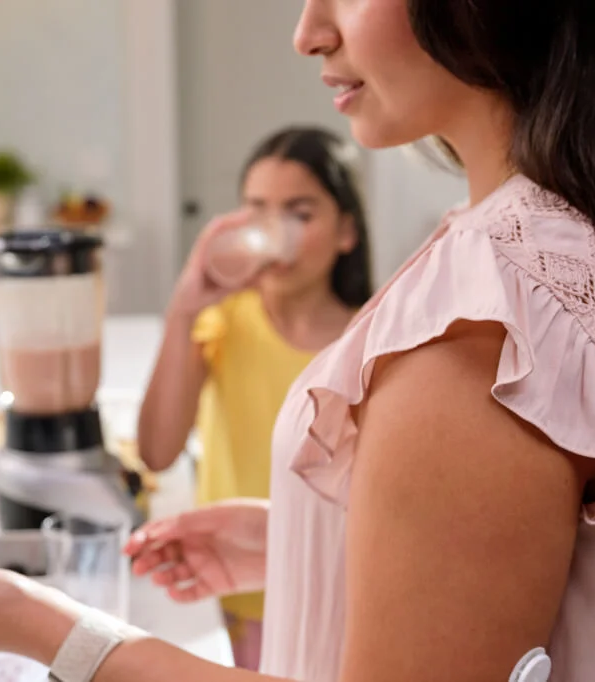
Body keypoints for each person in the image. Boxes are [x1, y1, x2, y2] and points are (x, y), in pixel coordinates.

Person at [0, 0, 595, 680]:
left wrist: (34, 624)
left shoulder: (487, 322)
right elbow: (551, 569)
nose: (308, 30)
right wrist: (317, 538)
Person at [136, 125, 372, 670]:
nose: (276, 232)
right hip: (232, 600)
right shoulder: (219, 323)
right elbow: (156, 452)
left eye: (300, 213)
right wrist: (183, 308)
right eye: (257, 211)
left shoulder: (370, 342)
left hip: (330, 594)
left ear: (347, 231)